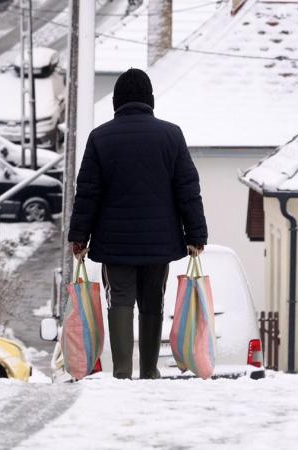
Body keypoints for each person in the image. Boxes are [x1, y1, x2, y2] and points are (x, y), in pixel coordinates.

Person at [68, 68, 208, 379]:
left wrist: (79, 236)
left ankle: (121, 371)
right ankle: (149, 370)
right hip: (160, 242)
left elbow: (88, 192)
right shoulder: (171, 135)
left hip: (114, 242)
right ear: (150, 101)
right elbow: (188, 189)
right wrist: (196, 233)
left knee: (119, 299)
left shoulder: (100, 138)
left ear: (116, 101)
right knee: (152, 300)